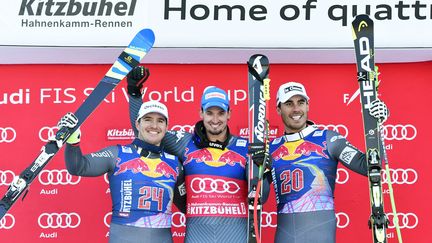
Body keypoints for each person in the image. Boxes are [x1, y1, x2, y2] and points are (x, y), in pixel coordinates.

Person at [126, 66, 263, 243]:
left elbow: (261, 196)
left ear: (229, 114)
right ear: (201, 113)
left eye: (221, 113)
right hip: (197, 237)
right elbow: (146, 133)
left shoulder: (245, 148)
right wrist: (135, 94)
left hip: (236, 236)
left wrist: (262, 172)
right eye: (209, 113)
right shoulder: (184, 142)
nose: (215, 119)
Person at [258, 81, 389, 243]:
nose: (296, 109)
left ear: (307, 106)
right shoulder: (271, 148)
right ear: (278, 109)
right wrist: (258, 169)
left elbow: (368, 167)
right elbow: (260, 198)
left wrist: (377, 126)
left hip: (321, 234)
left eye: (301, 102)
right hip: (285, 235)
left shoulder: (328, 139)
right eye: (289, 103)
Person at [58, 100, 183, 243]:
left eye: (160, 121)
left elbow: (189, 207)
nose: (154, 126)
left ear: (166, 127)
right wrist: (73, 140)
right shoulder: (117, 154)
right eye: (148, 119)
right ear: (137, 124)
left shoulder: (174, 164)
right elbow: (78, 166)